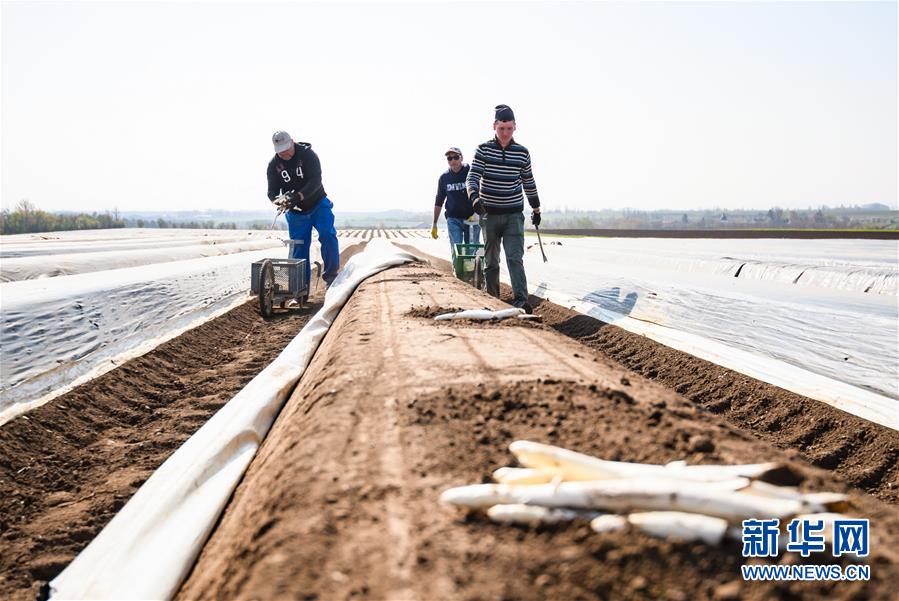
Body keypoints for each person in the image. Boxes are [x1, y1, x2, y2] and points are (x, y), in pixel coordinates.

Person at [466, 104, 541, 314]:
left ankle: (521, 302)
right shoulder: (483, 149)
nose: (505, 133)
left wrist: (536, 209)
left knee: (514, 258)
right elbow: (472, 177)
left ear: (515, 127)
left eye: (509, 128)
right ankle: (493, 301)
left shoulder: (522, 153)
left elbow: (528, 182)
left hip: (514, 214)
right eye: (501, 129)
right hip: (489, 214)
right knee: (491, 261)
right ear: (494, 126)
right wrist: (474, 197)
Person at [266, 130, 339, 293]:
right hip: (296, 213)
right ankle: (299, 290)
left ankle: (332, 279)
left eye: (286, 149)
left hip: (318, 204)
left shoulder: (308, 155)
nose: (284, 153)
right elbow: (271, 191)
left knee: (327, 235)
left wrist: (298, 196)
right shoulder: (273, 166)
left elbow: (316, 181)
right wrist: (278, 200)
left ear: (292, 142)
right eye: (280, 151)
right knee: (298, 247)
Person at [431, 146, 480, 256]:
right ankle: (458, 271)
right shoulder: (444, 178)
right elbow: (439, 201)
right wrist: (434, 224)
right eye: (449, 158)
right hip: (453, 219)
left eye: (455, 157)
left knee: (472, 249)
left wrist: (477, 213)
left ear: (461, 158)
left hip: (471, 217)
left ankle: (473, 271)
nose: (453, 161)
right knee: (456, 248)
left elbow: (482, 193)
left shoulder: (470, 172)